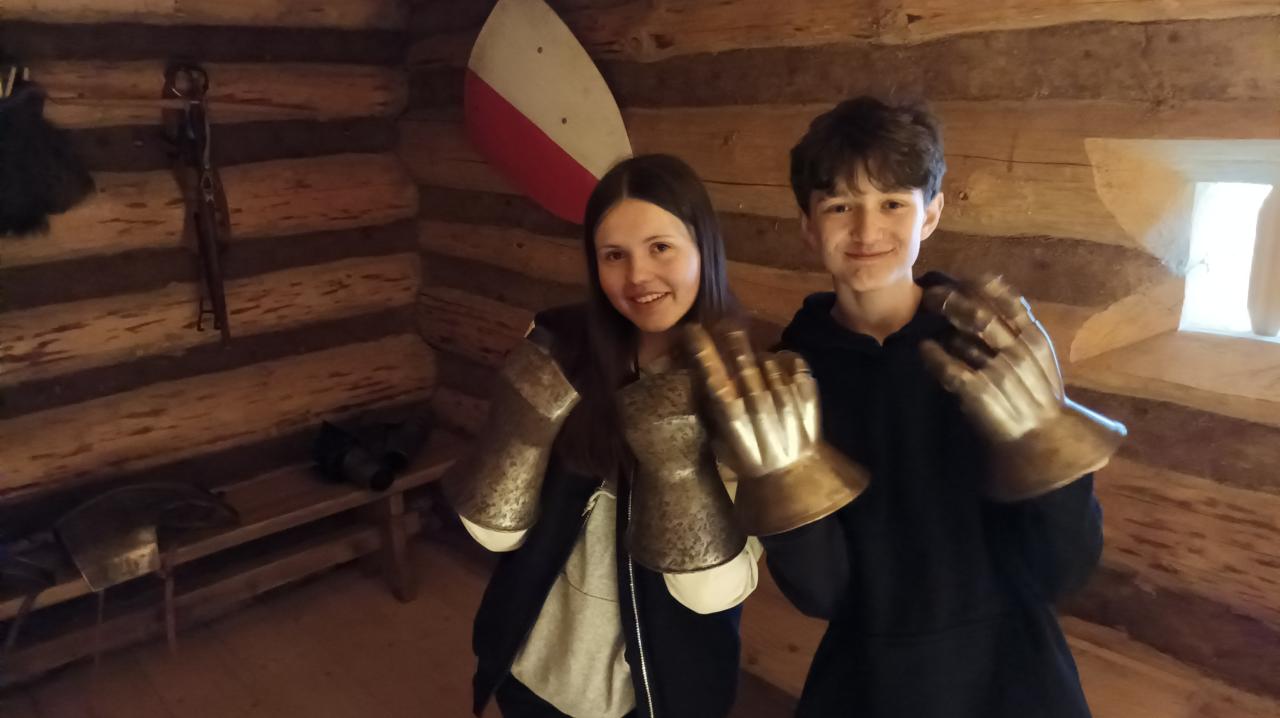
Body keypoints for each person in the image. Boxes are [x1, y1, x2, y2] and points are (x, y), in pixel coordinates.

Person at [690, 96, 1126, 718]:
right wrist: (783, 482)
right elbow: (823, 594)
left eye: (893, 203)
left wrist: (1046, 439)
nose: (867, 231)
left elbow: (1065, 567)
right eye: (840, 206)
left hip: (1015, 678)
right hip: (869, 684)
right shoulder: (787, 383)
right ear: (809, 225)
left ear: (931, 213)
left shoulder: (992, 350)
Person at [442, 154, 765, 718]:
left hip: (655, 694)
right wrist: (520, 426)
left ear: (704, 249)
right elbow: (493, 536)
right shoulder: (562, 350)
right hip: (532, 668)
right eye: (614, 255)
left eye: (660, 247)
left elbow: (711, 596)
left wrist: (677, 459)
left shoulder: (746, 388)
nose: (637, 275)